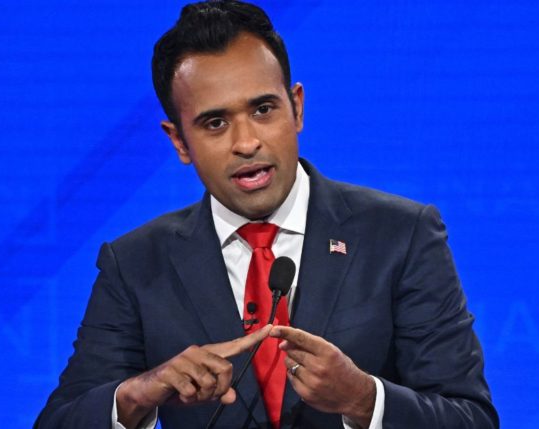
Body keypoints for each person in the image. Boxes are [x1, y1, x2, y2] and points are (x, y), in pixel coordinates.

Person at [35, 1, 498, 428]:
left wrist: (363, 398)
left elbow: (471, 418)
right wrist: (139, 394)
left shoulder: (401, 234)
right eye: (215, 123)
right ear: (178, 142)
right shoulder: (136, 263)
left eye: (263, 109)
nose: (246, 142)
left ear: (296, 107)